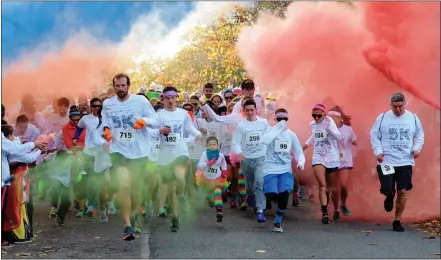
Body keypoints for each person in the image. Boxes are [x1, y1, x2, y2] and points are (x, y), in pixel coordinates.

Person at [99, 73, 158, 240]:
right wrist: (107, 130)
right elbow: (105, 121)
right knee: (123, 185)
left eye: (123, 86)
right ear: (114, 87)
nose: (120, 89)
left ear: (128, 86)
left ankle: (135, 215)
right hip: (118, 150)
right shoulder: (108, 104)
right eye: (117, 86)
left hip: (139, 151)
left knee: (136, 189)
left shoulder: (140, 101)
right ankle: (127, 226)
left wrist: (143, 121)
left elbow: (155, 119)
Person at [370, 92, 424, 232]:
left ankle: (397, 220)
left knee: (403, 191)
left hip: (405, 161)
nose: (398, 110)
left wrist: (416, 148)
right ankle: (389, 196)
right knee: (388, 189)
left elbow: (419, 134)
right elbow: (374, 135)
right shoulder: (382, 118)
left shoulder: (412, 117)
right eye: (395, 107)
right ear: (390, 106)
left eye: (400, 106)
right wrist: (378, 152)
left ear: (404, 104)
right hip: (387, 160)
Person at [156, 86, 202, 232]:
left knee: (180, 175)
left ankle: (182, 196)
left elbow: (189, 127)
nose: (170, 101)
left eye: (173, 98)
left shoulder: (183, 113)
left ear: (177, 98)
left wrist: (198, 135)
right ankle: (175, 217)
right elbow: (151, 131)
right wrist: (160, 131)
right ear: (163, 99)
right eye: (167, 98)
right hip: (164, 155)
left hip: (180, 151)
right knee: (170, 189)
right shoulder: (159, 115)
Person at [261, 108, 305, 232]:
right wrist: (278, 129)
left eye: (285, 119)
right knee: (272, 194)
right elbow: (265, 141)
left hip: (285, 169)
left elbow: (298, 152)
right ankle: (260, 200)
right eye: (279, 119)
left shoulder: (291, 134)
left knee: (284, 192)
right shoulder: (269, 131)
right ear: (275, 119)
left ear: (288, 119)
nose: (282, 121)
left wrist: (301, 163)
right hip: (270, 169)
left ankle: (277, 222)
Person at [303, 104, 341, 224]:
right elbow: (314, 135)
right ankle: (324, 213)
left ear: (324, 114)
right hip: (318, 157)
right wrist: (307, 143)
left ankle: (336, 209)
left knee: (332, 188)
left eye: (319, 115)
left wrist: (328, 128)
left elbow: (338, 137)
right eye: (314, 115)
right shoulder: (313, 124)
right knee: (322, 185)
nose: (316, 118)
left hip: (332, 158)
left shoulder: (330, 122)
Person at [232, 98, 270, 222]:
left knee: (259, 183)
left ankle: (260, 210)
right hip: (246, 158)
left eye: (252, 110)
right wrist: (239, 153)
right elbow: (235, 142)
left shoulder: (263, 123)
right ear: (244, 111)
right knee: (249, 186)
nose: (250, 112)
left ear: (256, 110)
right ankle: (250, 195)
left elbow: (271, 135)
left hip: (261, 157)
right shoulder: (241, 125)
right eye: (247, 110)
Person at [328, 106, 358, 217]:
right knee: (334, 188)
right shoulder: (327, 129)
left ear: (339, 117)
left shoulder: (347, 128)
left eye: (333, 117)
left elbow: (353, 137)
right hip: (331, 160)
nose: (330, 119)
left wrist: (354, 140)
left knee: (343, 185)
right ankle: (336, 210)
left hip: (345, 160)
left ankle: (343, 204)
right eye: (329, 117)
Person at [197, 136, 228, 223]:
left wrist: (224, 170)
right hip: (206, 178)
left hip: (217, 178)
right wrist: (207, 164)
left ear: (218, 145)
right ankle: (210, 200)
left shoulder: (221, 155)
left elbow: (223, 163)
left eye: (214, 144)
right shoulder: (204, 154)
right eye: (210, 144)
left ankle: (219, 211)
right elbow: (199, 165)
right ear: (207, 145)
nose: (212, 146)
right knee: (208, 194)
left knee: (217, 193)